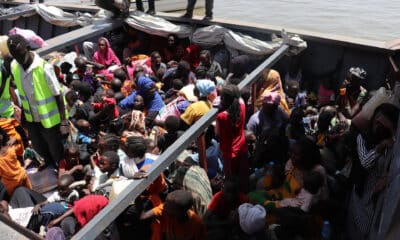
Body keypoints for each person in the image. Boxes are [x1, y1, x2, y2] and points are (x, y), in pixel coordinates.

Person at [7, 34, 67, 168]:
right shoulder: (14, 66)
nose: (19, 59)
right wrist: (22, 114)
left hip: (49, 119)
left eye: (21, 55)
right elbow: (24, 94)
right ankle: (48, 162)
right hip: (30, 117)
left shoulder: (44, 67)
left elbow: (58, 94)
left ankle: (60, 166)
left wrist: (63, 122)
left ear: (28, 48)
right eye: (15, 56)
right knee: (38, 144)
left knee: (54, 146)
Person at [216, 84, 248, 192]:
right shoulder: (242, 107)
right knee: (242, 176)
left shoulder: (222, 116)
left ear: (224, 100)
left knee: (230, 178)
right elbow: (240, 100)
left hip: (229, 152)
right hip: (242, 147)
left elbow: (217, 133)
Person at [140, 189, 207, 240]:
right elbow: (143, 217)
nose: (164, 205)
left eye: (167, 205)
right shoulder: (165, 210)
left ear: (179, 212)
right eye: (165, 202)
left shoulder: (196, 223)